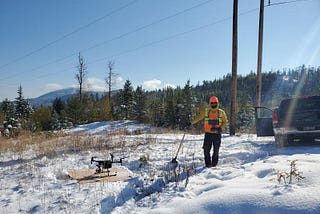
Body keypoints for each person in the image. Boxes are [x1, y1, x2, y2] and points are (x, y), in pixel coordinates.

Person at [191, 96, 227, 168]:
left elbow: (225, 122)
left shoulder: (221, 112)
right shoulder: (206, 112)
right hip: (208, 134)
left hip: (217, 134)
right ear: (210, 103)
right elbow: (198, 118)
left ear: (217, 103)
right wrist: (191, 122)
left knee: (216, 150)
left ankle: (214, 165)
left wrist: (220, 128)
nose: (213, 104)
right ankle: (208, 165)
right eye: (212, 103)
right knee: (206, 150)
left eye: (215, 103)